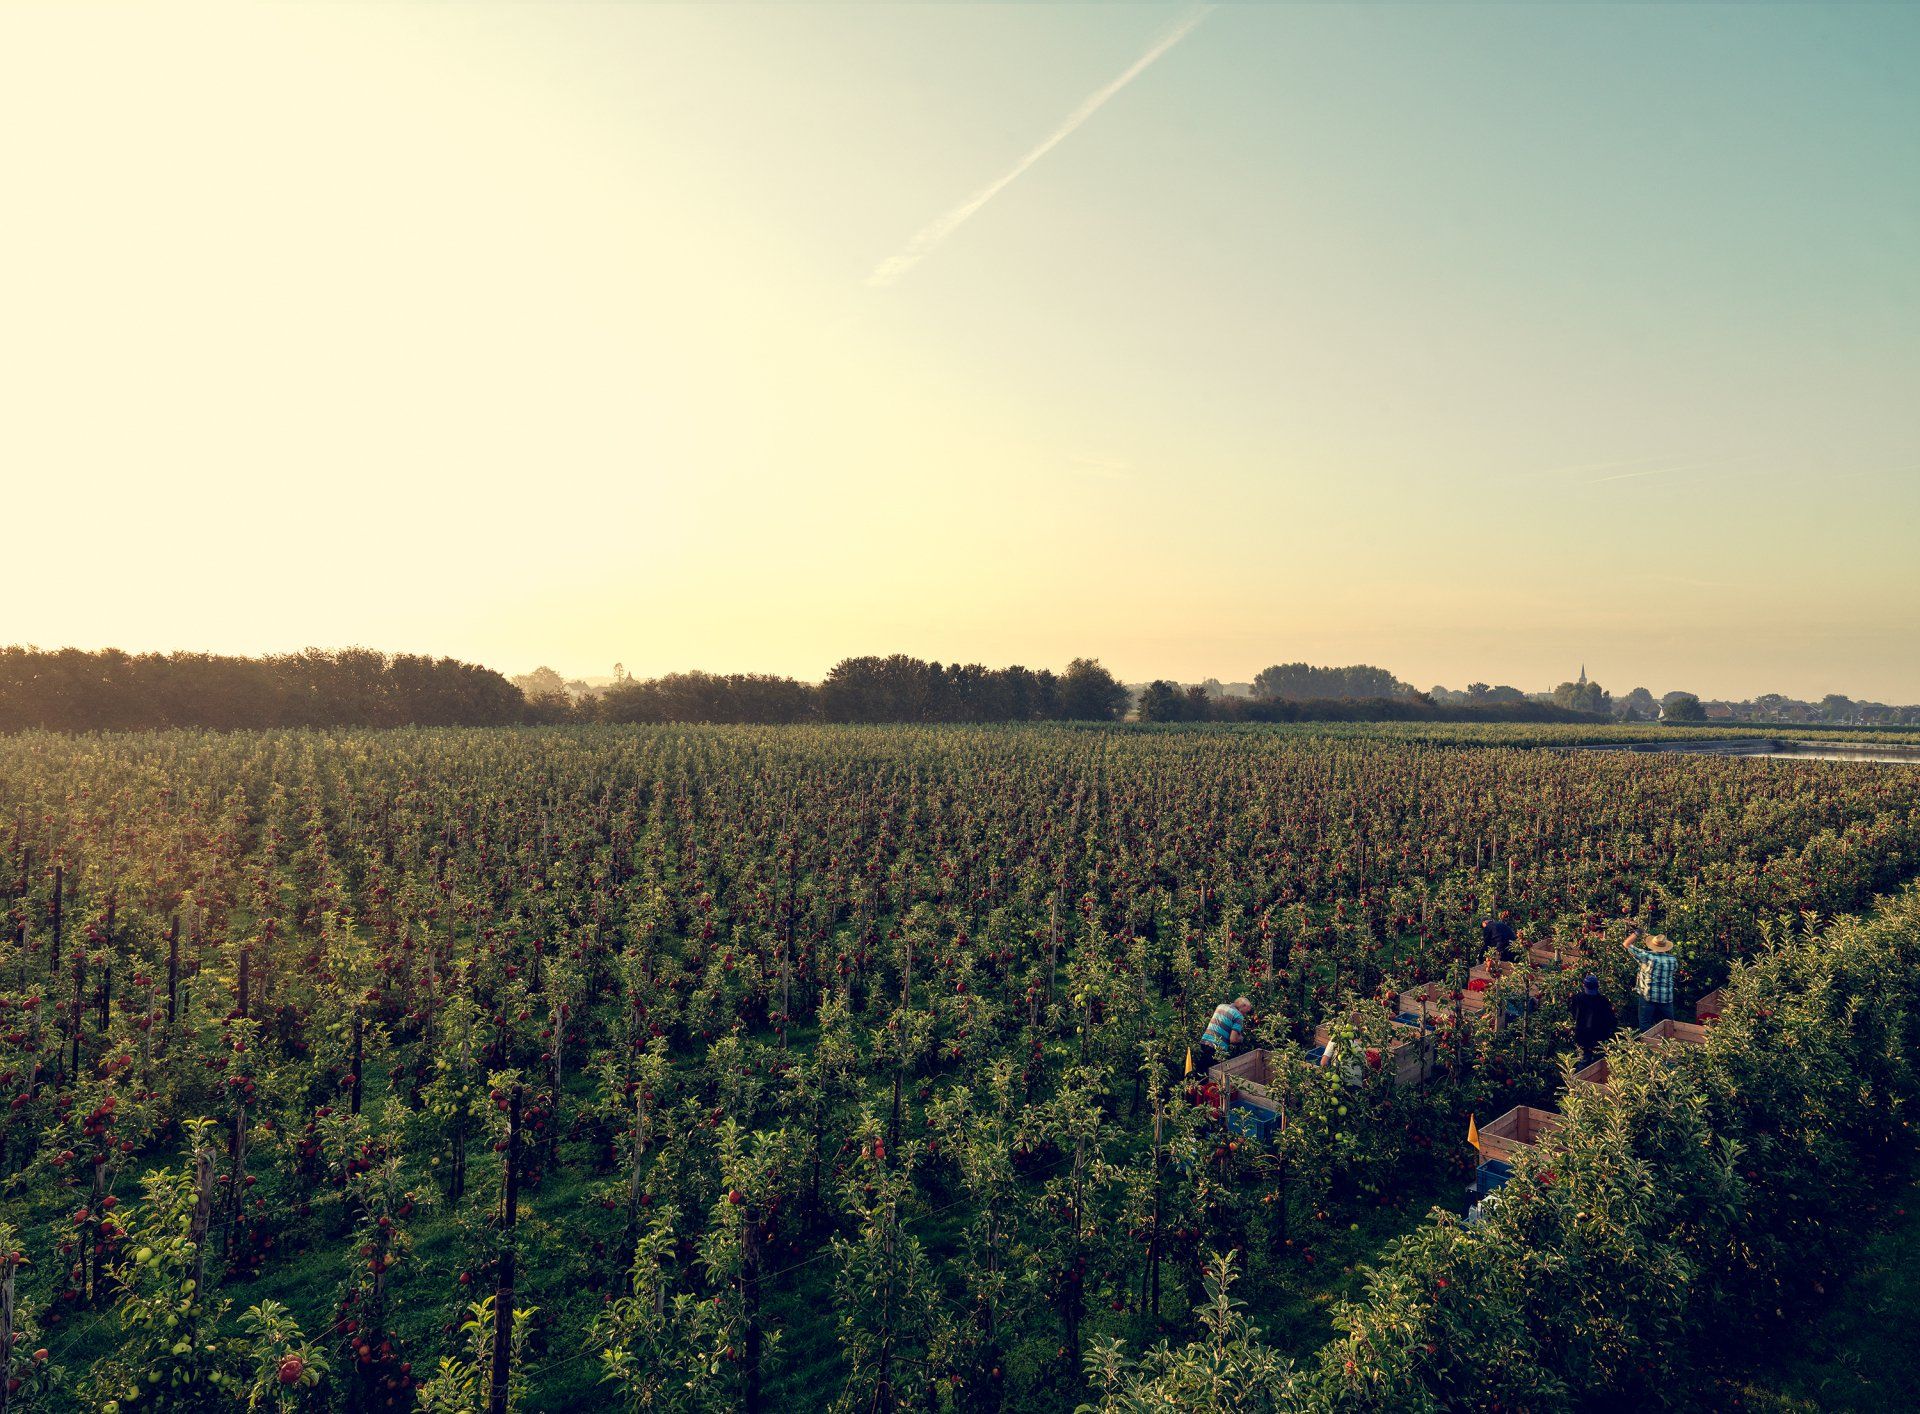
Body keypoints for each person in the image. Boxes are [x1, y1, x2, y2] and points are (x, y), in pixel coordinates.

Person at [1622, 931, 1678, 1031]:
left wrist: (1637, 933)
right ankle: (1670, 1040)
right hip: (1666, 997)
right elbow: (1673, 972)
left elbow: (1626, 944)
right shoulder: (1673, 960)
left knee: (1645, 1023)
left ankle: (1647, 1040)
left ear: (1653, 945)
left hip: (1648, 996)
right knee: (1669, 1024)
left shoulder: (1646, 956)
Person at [1569, 973, 1616, 1060]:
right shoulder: (1603, 1001)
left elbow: (1573, 1014)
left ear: (1584, 986)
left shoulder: (1577, 998)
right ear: (1598, 986)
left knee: (1584, 1060)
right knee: (1600, 1060)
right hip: (1600, 1037)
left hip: (1582, 1037)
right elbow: (1611, 1020)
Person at [1201, 996, 1253, 1060]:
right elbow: (1233, 1039)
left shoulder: (1220, 1006)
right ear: (1243, 1006)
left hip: (1204, 1042)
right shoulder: (1238, 1016)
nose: (1245, 1014)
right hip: (1217, 1048)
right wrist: (1241, 1038)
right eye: (1247, 1012)